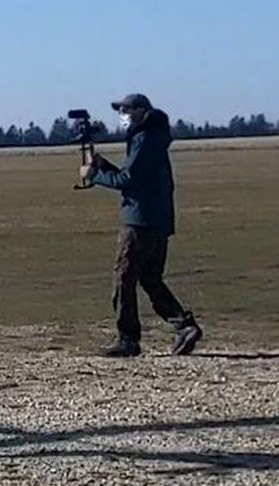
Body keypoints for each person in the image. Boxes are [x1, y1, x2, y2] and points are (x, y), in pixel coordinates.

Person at [80, 92, 204, 357]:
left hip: (140, 221)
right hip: (158, 218)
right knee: (150, 278)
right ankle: (184, 325)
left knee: (124, 278)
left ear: (141, 111)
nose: (122, 117)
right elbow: (134, 176)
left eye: (126, 111)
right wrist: (106, 167)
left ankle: (128, 339)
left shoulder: (144, 139)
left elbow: (129, 180)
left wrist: (94, 174)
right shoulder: (154, 138)